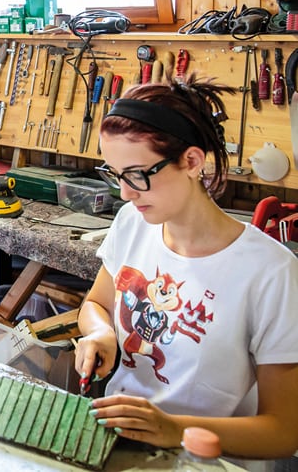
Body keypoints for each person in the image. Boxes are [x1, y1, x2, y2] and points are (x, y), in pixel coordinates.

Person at [76, 74, 298, 463]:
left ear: (192, 161)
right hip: (119, 444)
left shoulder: (271, 272)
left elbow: (282, 433)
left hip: (206, 462)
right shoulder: (132, 222)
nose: (125, 193)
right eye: (115, 174)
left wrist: (175, 429)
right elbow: (96, 303)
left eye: (137, 175)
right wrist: (101, 333)